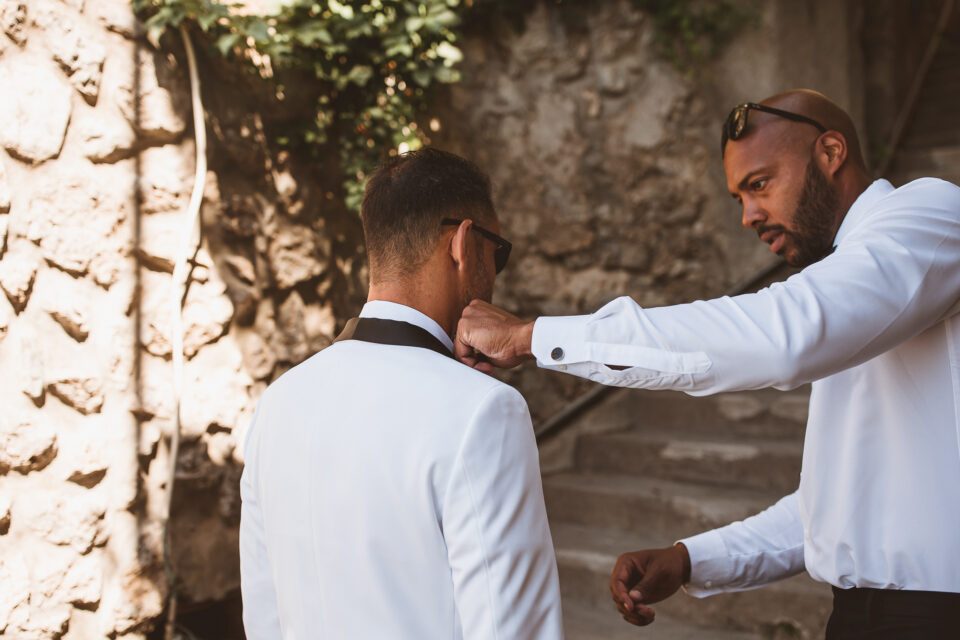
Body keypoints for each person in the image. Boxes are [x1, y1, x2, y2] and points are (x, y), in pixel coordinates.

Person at [454, 89, 960, 638]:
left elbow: (785, 336)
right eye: (739, 197)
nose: (748, 216)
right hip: (853, 617)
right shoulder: (848, 288)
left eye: (759, 184)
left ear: (831, 152)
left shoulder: (931, 213)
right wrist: (691, 559)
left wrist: (535, 336)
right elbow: (833, 511)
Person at [239, 148, 564, 639]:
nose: (495, 276)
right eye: (498, 253)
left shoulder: (279, 402)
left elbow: (263, 617)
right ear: (463, 243)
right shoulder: (484, 412)